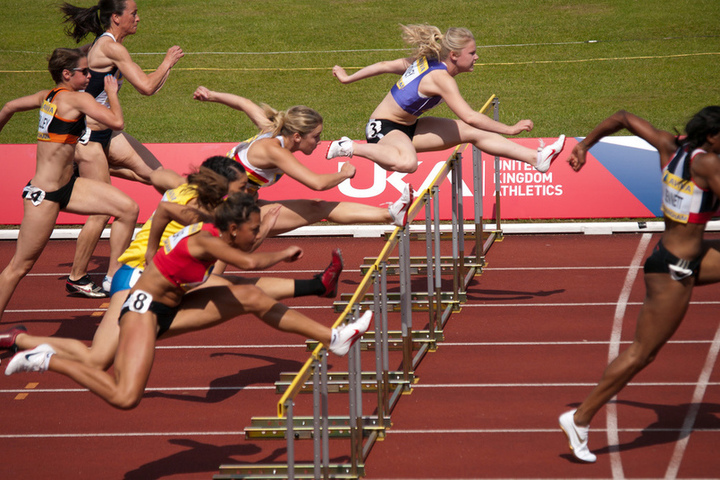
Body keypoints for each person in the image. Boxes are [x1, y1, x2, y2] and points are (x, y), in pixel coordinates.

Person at [5, 193, 372, 410]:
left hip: (171, 305)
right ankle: (47, 359)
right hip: (143, 313)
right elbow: (247, 261)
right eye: (254, 228)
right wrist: (283, 252)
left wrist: (151, 253)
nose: (258, 232)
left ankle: (333, 338)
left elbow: (165, 211)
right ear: (233, 229)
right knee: (124, 395)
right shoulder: (207, 240)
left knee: (251, 296)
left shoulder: (217, 230)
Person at [0, 156, 344, 371]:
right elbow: (240, 256)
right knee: (98, 361)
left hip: (157, 280)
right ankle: (24, 345)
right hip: (136, 284)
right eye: (243, 187)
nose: (249, 192)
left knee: (244, 295)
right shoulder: (206, 212)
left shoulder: (198, 198)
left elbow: (162, 186)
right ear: (222, 188)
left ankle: (320, 293)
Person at [559, 107, 720, 463]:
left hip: (685, 256)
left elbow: (622, 117)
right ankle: (579, 417)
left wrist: (585, 146)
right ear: (711, 137)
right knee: (641, 353)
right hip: (673, 270)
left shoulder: (668, 146)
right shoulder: (708, 165)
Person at [0, 47, 137, 323]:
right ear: (67, 74)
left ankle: (115, 278)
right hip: (46, 195)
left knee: (128, 208)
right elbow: (118, 122)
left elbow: (9, 107)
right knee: (19, 266)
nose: (90, 76)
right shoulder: (78, 99)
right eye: (84, 71)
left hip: (69, 187)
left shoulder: (46, 96)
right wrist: (111, 93)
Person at [60, 0, 185, 297]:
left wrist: (165, 68)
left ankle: (176, 247)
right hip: (88, 139)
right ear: (116, 18)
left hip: (109, 135)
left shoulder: (109, 47)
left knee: (163, 178)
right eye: (134, 13)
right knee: (104, 210)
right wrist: (167, 61)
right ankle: (83, 276)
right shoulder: (111, 48)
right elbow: (146, 86)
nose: (138, 18)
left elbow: (150, 87)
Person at [328, 24, 566, 174]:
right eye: (472, 53)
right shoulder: (441, 79)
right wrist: (510, 129)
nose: (476, 57)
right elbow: (470, 116)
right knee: (408, 164)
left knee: (472, 134)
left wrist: (348, 78)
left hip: (411, 127)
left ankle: (536, 158)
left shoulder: (427, 61)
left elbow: (384, 65)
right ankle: (349, 147)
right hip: (382, 128)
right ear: (454, 55)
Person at [193, 86, 414, 233]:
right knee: (226, 254)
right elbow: (317, 183)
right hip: (225, 212)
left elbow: (245, 103)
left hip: (242, 204)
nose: (319, 141)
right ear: (297, 136)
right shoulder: (274, 150)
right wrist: (344, 174)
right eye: (315, 136)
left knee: (318, 208)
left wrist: (211, 95)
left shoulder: (271, 130)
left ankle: (391, 214)